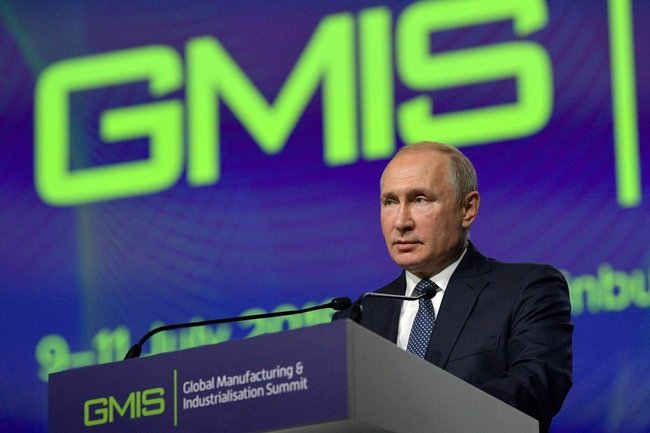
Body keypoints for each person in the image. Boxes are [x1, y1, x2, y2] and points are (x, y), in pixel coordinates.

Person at [334, 141, 573, 433]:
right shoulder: (360, 316)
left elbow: (537, 384)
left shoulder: (526, 289)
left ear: (467, 208)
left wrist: (423, 418)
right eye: (390, 202)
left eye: (420, 199)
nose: (401, 221)